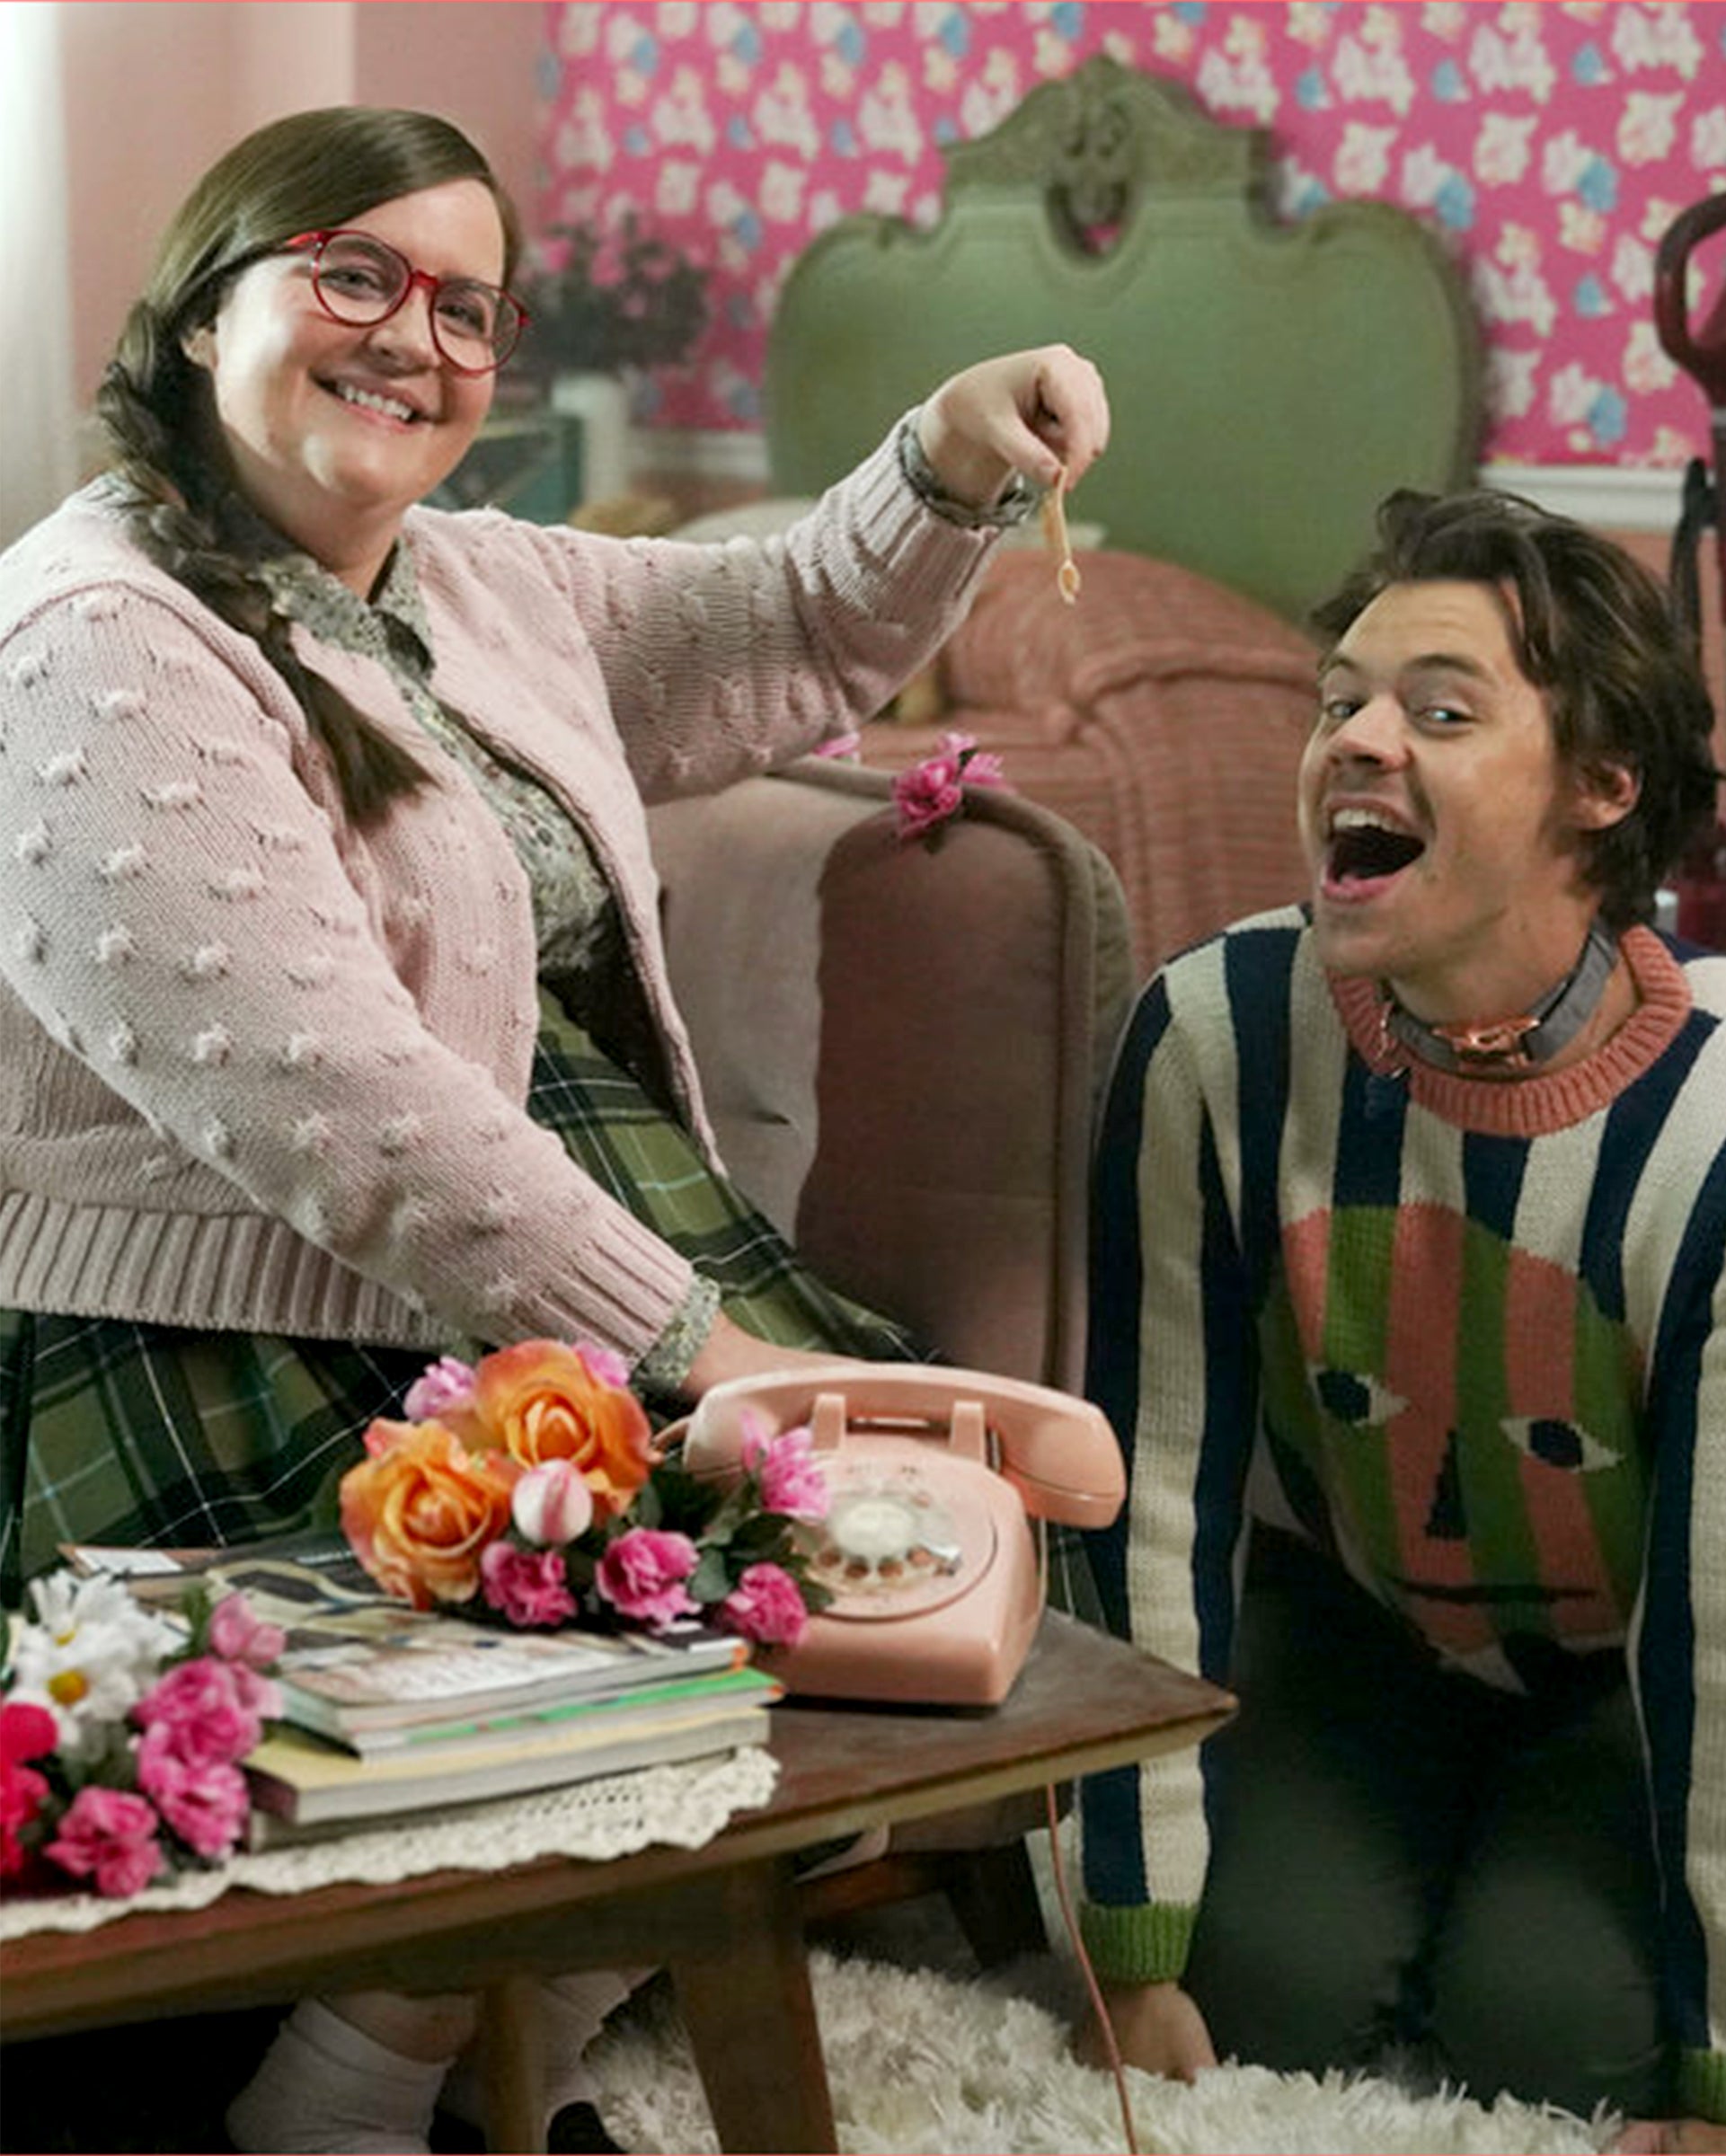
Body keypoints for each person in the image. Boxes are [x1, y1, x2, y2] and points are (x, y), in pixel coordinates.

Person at [0, 103, 1108, 2153]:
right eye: (353, 275)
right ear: (201, 313)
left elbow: (783, 627)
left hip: (540, 1232)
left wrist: (950, 457)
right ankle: (346, 2102)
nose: (414, 340)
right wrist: (694, 1346)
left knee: (868, 1592)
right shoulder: (91, 643)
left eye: (467, 308)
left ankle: (459, 2050)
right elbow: (335, 1104)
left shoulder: (473, 578)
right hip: (246, 1312)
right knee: (694, 1604)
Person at [1074, 487, 1726, 2152]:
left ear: (1603, 787)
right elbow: (1154, 1484)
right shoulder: (1212, 1036)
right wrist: (1131, 1928)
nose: (1357, 738)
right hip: (1364, 1622)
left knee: (1553, 2036)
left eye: (1442, 711)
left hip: (1642, 1667)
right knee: (1254, 1989)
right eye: (1339, 701)